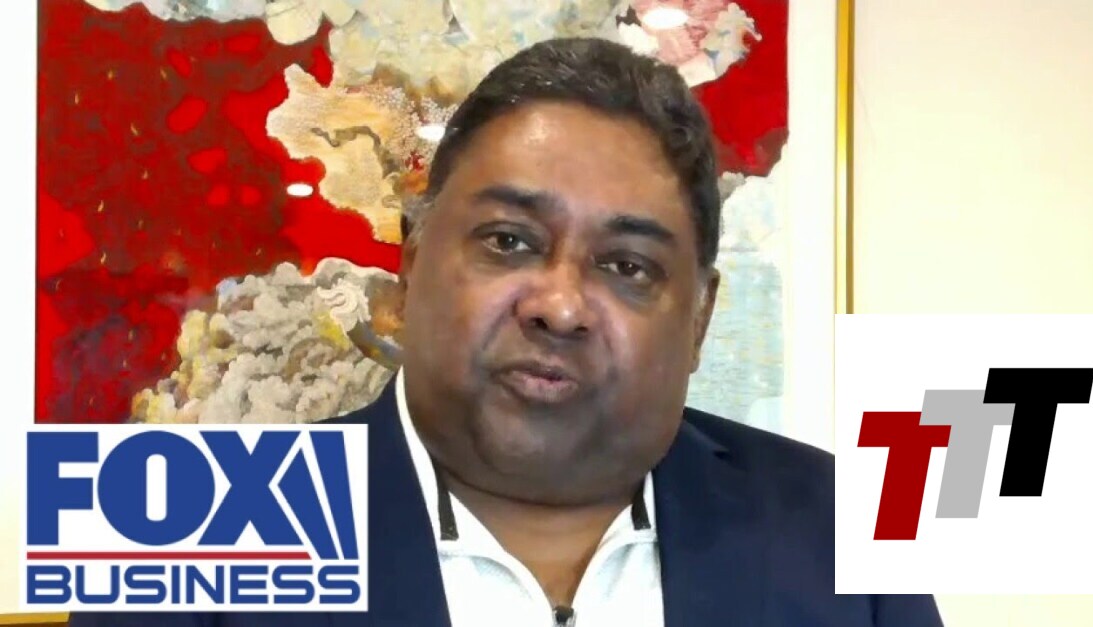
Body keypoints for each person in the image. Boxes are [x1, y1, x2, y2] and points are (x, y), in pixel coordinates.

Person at [70, 37, 943, 627]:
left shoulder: (844, 528)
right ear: (412, 265)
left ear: (700, 318)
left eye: (627, 264)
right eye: (508, 241)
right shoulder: (180, 533)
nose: (559, 305)